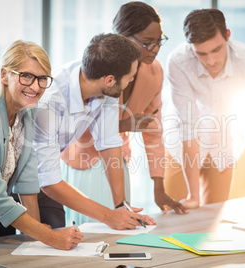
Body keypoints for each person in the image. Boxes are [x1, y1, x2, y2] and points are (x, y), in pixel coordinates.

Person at [0, 40, 83, 267]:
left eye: (43, 78)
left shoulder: (26, 113)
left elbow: (27, 177)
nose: (36, 86)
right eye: (26, 76)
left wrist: (38, 243)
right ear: (4, 75)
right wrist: (51, 237)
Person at [60, 2, 187, 225]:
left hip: (118, 160)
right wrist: (124, 125)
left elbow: (153, 130)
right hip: (84, 159)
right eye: (147, 43)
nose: (155, 49)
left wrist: (159, 186)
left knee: (122, 222)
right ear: (123, 38)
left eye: (159, 41)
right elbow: (78, 129)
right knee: (91, 232)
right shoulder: (101, 69)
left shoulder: (154, 71)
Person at [163, 8, 245, 213]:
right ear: (190, 47)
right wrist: (193, 196)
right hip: (181, 144)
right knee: (175, 217)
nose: (211, 61)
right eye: (201, 53)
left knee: (212, 220)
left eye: (216, 50)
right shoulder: (178, 61)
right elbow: (188, 127)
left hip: (223, 143)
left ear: (227, 35)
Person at [34, 33, 156, 230]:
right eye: (130, 77)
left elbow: (108, 143)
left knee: (56, 237)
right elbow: (47, 179)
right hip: (4, 177)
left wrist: (120, 207)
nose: (132, 79)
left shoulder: (104, 85)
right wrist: (108, 217)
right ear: (109, 80)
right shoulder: (51, 101)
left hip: (42, 175)